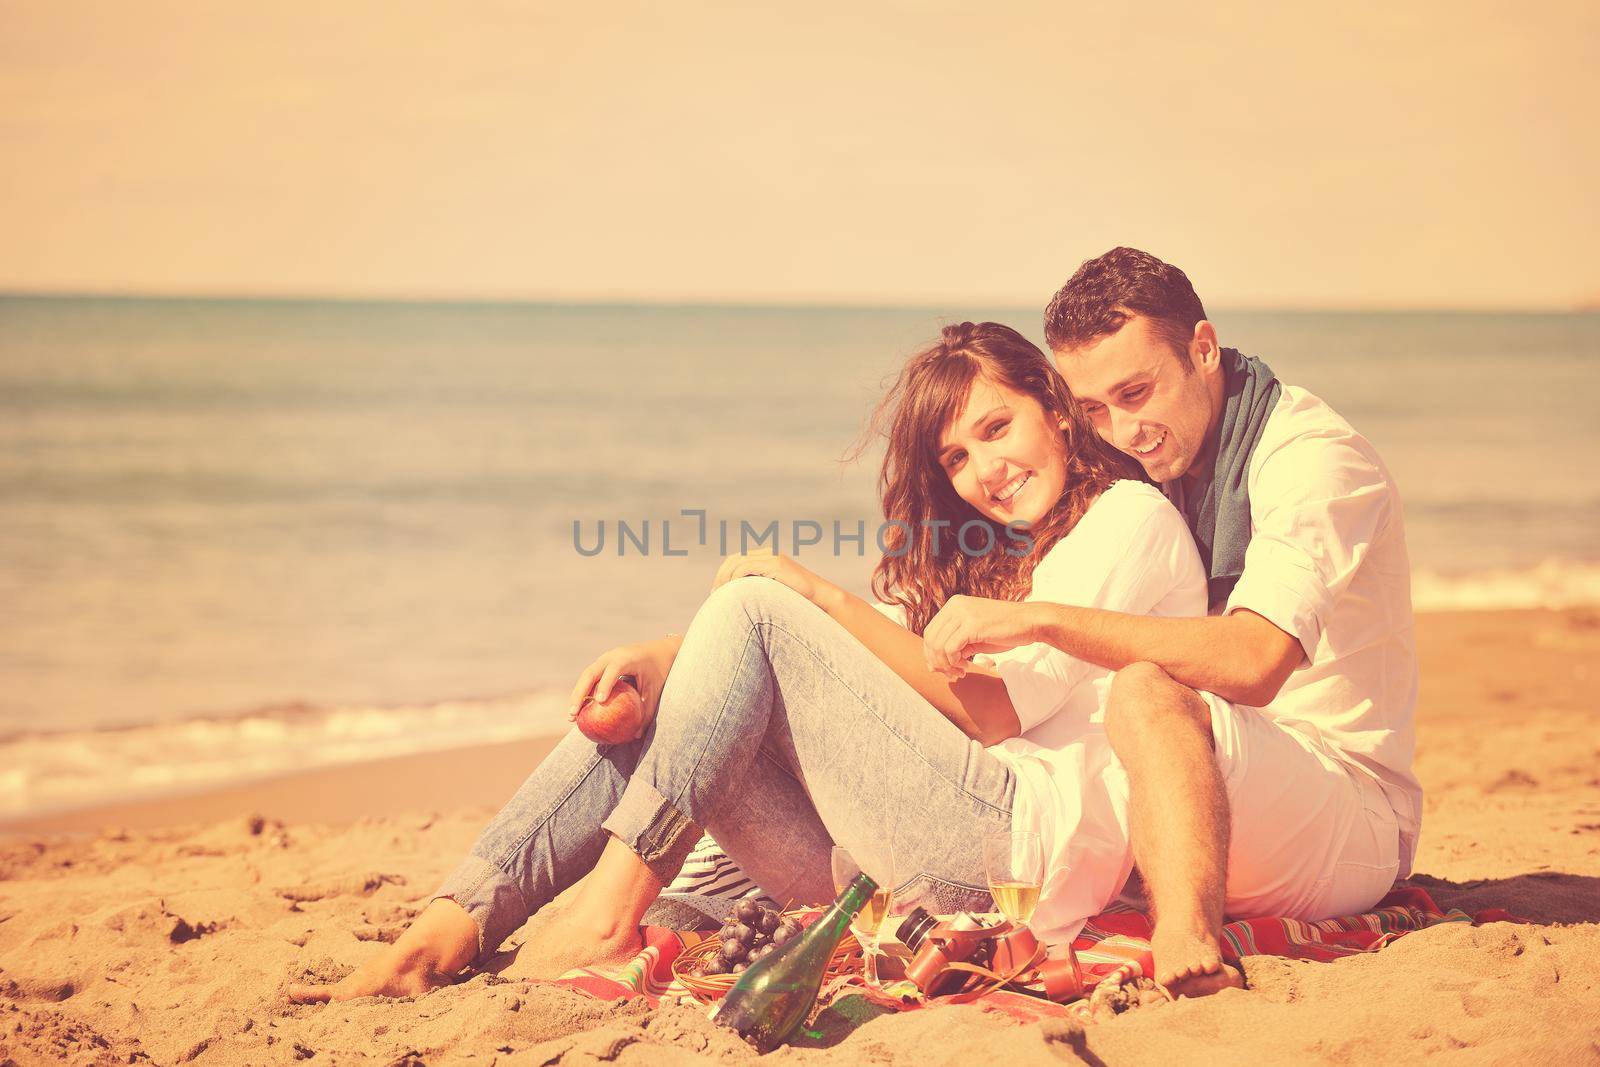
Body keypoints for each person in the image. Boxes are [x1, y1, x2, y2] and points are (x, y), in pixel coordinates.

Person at [287, 322, 1207, 1004]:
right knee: (676, 683)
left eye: (998, 429)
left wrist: (810, 593)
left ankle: (609, 911)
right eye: (958, 456)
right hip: (907, 859)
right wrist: (656, 662)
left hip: (1011, 859)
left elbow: (995, 710)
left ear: (1054, 407)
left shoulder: (1126, 522)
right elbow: (860, 657)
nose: (984, 470)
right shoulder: (1000, 553)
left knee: (761, 604)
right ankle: (451, 922)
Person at [920, 249, 1421, 997]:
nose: (1122, 429)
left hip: (1343, 812)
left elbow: (1254, 661)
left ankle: (1185, 939)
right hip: (1212, 777)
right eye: (1094, 409)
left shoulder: (1312, 462)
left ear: (1204, 348)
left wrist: (1039, 621)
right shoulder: (1159, 455)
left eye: (1136, 391)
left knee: (1143, 689)